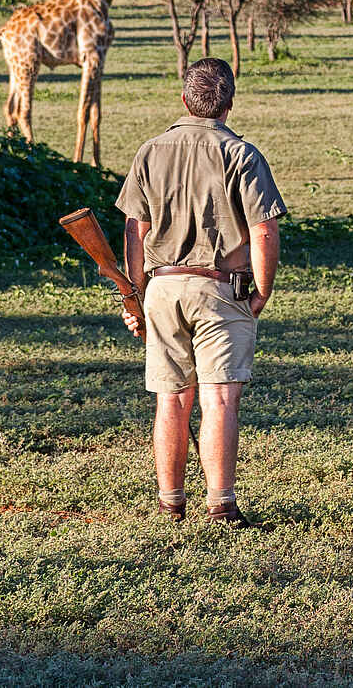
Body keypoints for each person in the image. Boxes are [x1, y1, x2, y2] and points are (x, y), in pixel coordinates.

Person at [117, 57, 286, 526]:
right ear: (229, 101)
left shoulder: (151, 150)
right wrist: (261, 294)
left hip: (161, 287)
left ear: (185, 99)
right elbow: (264, 232)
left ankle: (170, 503)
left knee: (170, 399)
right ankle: (221, 505)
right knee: (218, 399)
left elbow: (135, 231)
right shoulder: (242, 154)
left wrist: (136, 294)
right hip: (220, 289)